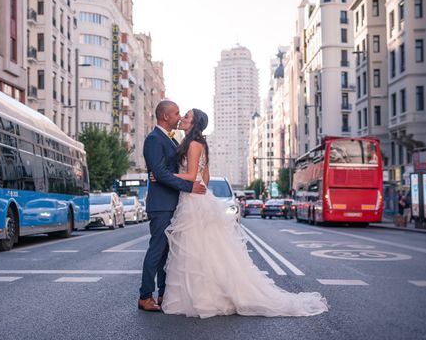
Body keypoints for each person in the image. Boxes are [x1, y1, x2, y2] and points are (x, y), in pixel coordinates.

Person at [159, 108, 328, 318]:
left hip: (193, 199)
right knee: (205, 250)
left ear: (194, 123)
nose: (183, 119)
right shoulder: (198, 143)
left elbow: (193, 175)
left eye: (187, 117)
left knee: (196, 249)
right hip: (196, 197)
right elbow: (206, 176)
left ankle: (203, 297)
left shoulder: (193, 144)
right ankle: (204, 294)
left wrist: (164, 175)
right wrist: (200, 191)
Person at [138, 100, 207, 312]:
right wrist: (189, 186)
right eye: (177, 113)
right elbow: (159, 173)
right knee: (157, 249)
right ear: (166, 117)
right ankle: (145, 295)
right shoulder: (153, 139)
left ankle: (163, 293)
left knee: (167, 252)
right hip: (161, 204)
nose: (179, 117)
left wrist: (190, 184)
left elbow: (169, 171)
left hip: (173, 202)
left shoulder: (173, 140)